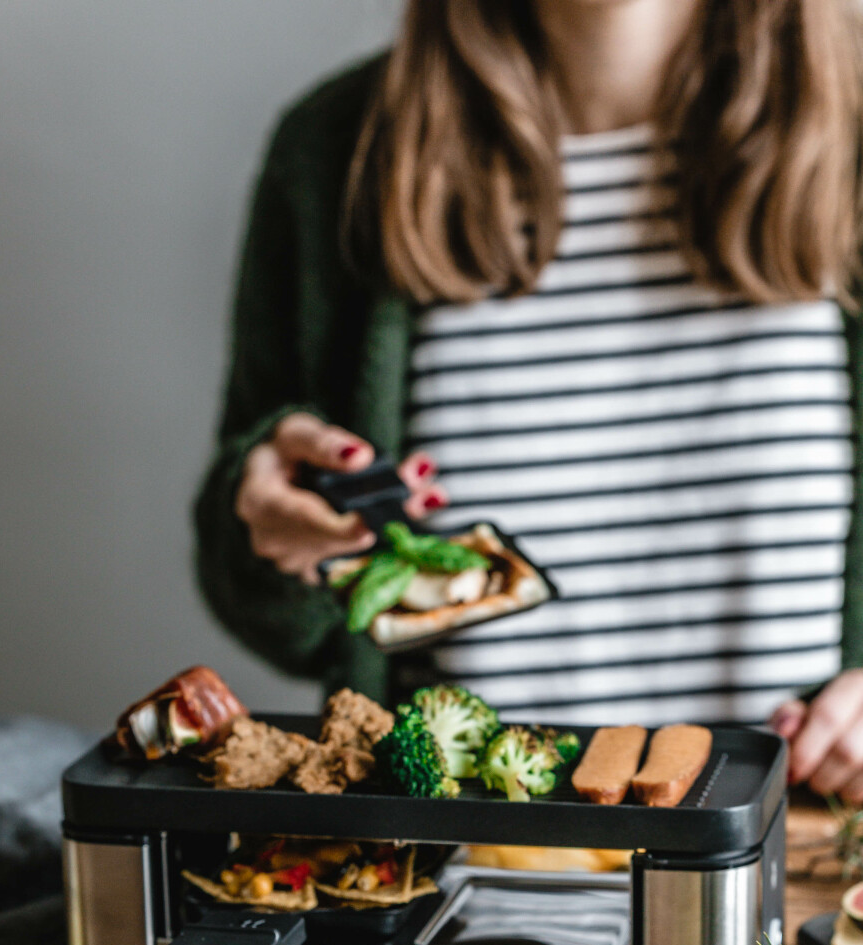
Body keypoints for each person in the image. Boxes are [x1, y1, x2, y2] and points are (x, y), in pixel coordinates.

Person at [195, 0, 863, 802]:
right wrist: (278, 534)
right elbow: (284, 624)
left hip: (803, 862)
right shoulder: (338, 152)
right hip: (455, 863)